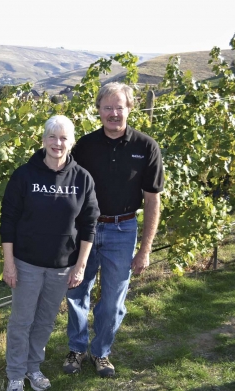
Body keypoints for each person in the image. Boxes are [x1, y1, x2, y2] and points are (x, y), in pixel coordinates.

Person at [63, 82, 164, 378]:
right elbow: (68, 189)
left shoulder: (146, 147)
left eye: (119, 107)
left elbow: (152, 200)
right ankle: (77, 349)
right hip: (85, 231)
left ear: (130, 108)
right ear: (98, 111)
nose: (113, 113)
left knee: (113, 300)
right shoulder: (84, 146)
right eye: (107, 107)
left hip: (124, 229)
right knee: (76, 291)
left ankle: (101, 352)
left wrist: (144, 250)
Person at [0, 115, 100, 391]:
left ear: (72, 142)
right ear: (43, 140)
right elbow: (7, 221)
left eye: (64, 137)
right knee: (22, 321)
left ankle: (34, 368)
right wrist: (9, 263)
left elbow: (89, 225)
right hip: (26, 263)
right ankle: (16, 374)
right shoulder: (24, 175)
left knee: (44, 321)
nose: (58, 143)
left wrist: (80, 266)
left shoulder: (82, 178)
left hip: (61, 267)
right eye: (52, 137)